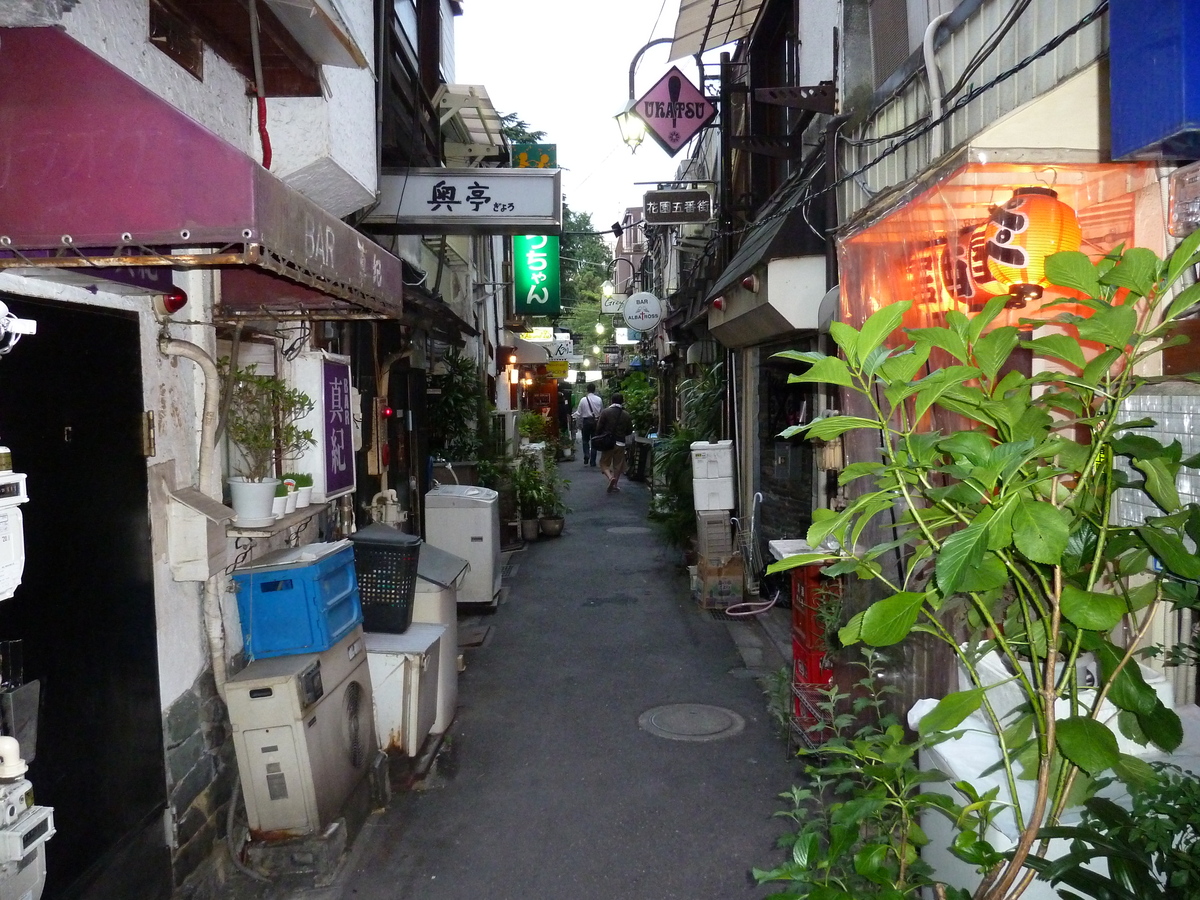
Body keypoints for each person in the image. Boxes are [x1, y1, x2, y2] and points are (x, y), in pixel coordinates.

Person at [595, 392, 634, 493]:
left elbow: (599, 427)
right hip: (620, 442)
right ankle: (615, 484)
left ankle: (610, 477)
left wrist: (600, 436)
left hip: (608, 442)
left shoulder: (605, 412)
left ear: (611, 401)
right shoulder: (626, 414)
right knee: (618, 464)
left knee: (603, 462)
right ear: (622, 402)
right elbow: (629, 430)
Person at [573, 383, 603, 466]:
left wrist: (573, 416)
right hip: (596, 422)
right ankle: (593, 461)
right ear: (594, 390)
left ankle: (586, 454)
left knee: (585, 440)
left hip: (586, 422)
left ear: (587, 390)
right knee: (594, 441)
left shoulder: (583, 400)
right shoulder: (599, 399)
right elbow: (601, 412)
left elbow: (579, 413)